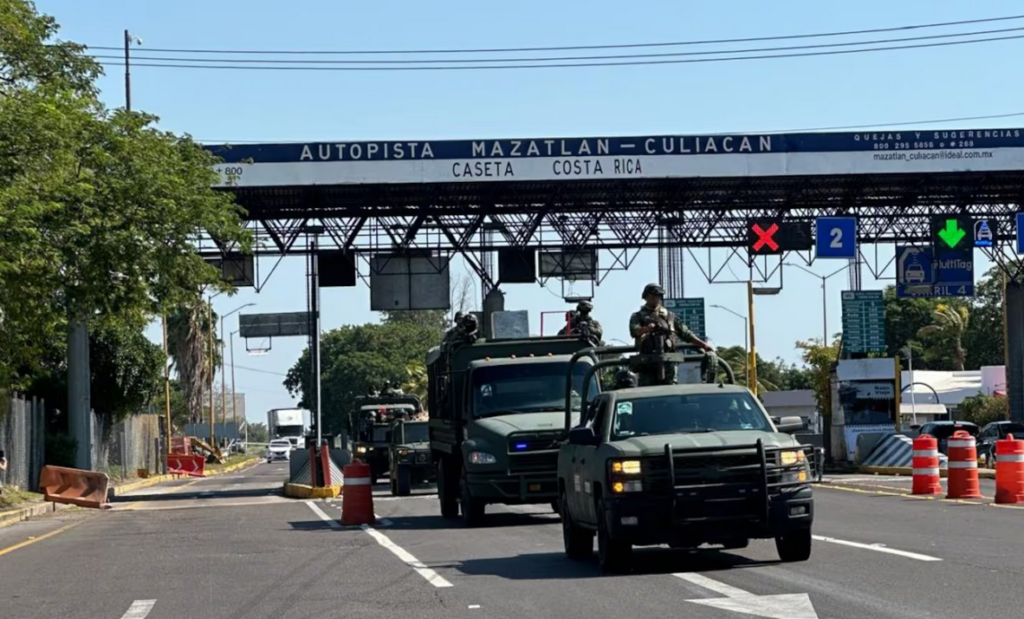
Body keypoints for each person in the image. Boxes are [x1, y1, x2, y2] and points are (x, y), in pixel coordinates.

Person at [628, 283, 714, 386]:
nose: (656, 298)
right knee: (648, 391)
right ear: (646, 296)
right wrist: (647, 329)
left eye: (659, 296)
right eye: (653, 295)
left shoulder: (669, 317)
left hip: (669, 361)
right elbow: (635, 331)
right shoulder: (638, 316)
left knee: (671, 390)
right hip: (647, 361)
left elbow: (686, 334)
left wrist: (704, 345)